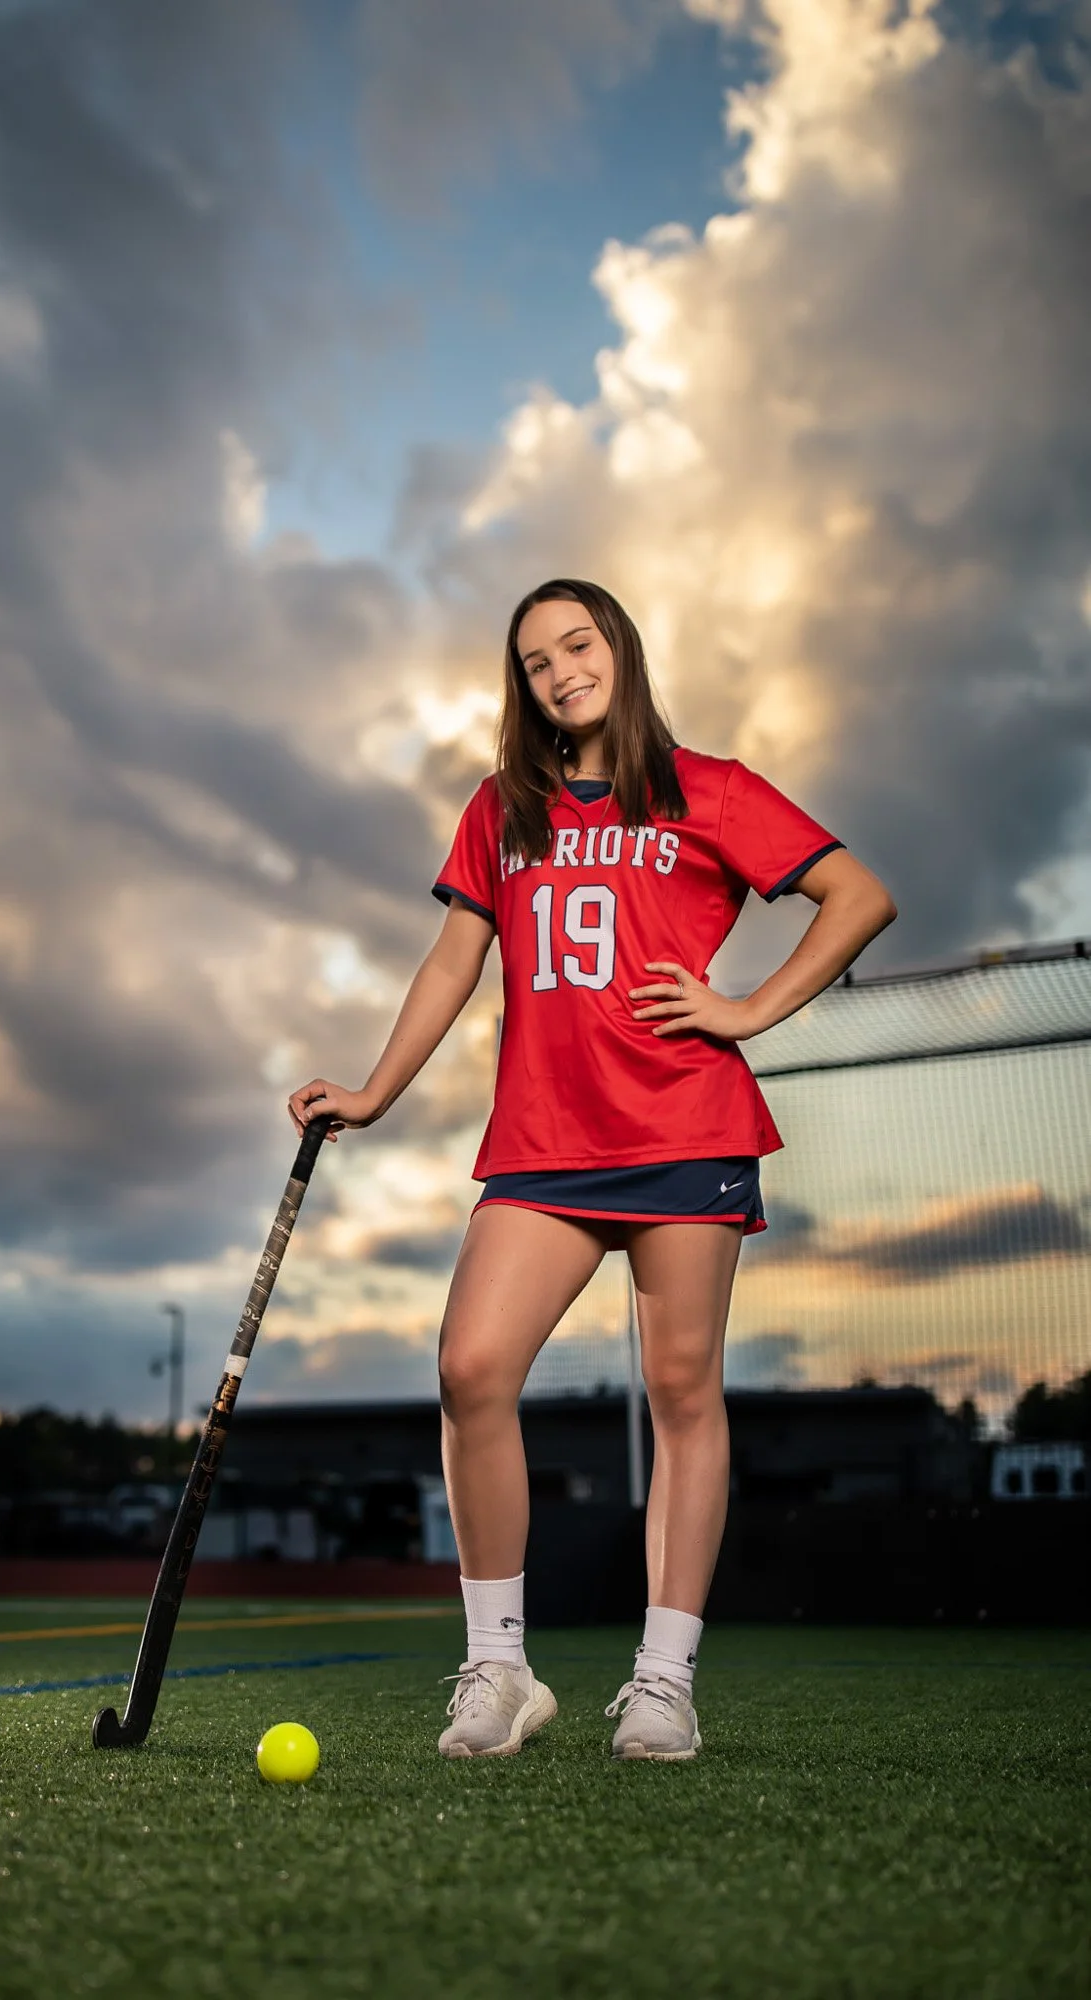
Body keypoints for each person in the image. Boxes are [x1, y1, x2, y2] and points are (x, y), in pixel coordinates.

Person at [289, 578, 896, 1762]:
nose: (561, 670)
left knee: (681, 1394)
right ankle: (500, 1668)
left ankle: (663, 1681)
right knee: (471, 1367)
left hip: (685, 1127)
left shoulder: (707, 788)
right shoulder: (502, 809)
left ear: (618, 647)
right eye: (534, 660)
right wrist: (371, 1090)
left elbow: (857, 896)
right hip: (546, 1141)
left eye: (578, 643)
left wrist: (746, 1009)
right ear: (521, 686)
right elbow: (453, 959)